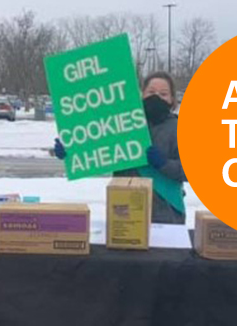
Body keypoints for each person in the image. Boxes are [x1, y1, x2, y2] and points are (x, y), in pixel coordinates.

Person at [55, 71, 186, 224]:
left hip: (165, 213)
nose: (156, 97)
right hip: (124, 210)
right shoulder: (120, 124)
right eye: (151, 92)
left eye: (163, 94)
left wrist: (164, 164)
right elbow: (96, 152)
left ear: (172, 99)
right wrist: (70, 151)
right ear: (142, 95)